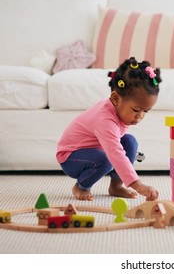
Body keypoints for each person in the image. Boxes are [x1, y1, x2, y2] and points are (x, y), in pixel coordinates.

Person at [56, 57, 160, 201]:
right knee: (107, 159)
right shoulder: (105, 120)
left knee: (130, 142)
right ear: (116, 99)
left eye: (145, 111)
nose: (140, 116)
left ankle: (116, 186)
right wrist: (139, 185)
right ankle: (81, 186)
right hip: (71, 157)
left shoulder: (117, 108)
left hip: (96, 150)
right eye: (136, 110)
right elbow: (115, 153)